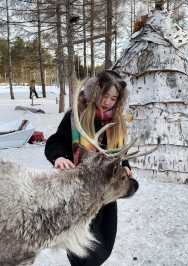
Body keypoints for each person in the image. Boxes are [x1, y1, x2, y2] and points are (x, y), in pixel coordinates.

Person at [44, 70, 132, 266]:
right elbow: (56, 142)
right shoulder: (76, 116)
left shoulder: (116, 122)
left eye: (113, 98)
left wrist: (125, 166)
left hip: (105, 194)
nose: (108, 101)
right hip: (79, 193)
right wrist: (59, 157)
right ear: (95, 92)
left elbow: (119, 152)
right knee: (79, 249)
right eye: (104, 95)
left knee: (103, 245)